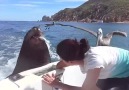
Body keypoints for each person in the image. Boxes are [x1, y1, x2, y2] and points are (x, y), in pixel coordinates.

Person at [42, 38, 129, 90]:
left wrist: (58, 84)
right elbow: (62, 64)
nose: (61, 61)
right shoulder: (81, 53)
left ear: (71, 62)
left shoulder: (94, 63)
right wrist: (57, 69)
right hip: (118, 67)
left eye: (62, 59)